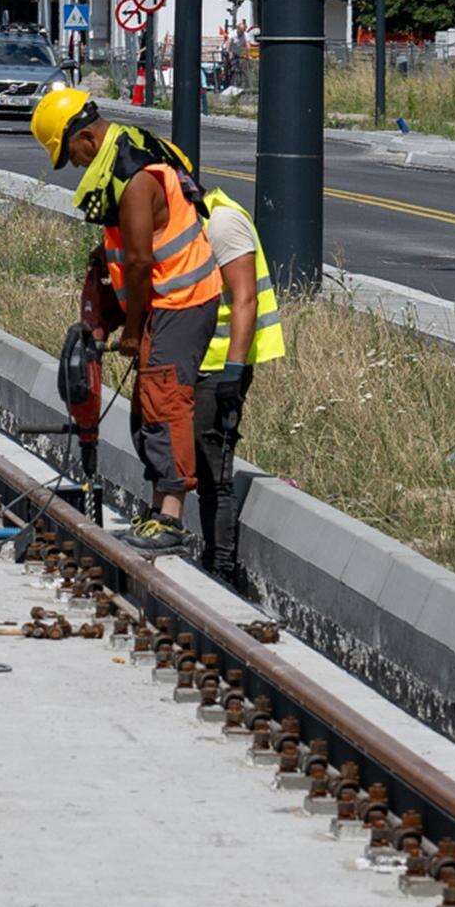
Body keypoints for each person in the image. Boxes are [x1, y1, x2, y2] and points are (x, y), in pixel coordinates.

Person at [29, 87, 220, 553]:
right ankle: (159, 510)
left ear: (87, 139)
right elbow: (121, 255)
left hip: (180, 298)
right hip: (163, 298)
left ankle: (171, 521)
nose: (72, 165)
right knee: (148, 406)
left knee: (163, 400)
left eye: (69, 155)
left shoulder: (134, 177)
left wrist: (131, 332)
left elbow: (138, 261)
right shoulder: (124, 155)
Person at [192, 185, 285, 584]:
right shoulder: (192, 224)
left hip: (220, 369)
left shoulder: (222, 222)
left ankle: (221, 567)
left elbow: (246, 299)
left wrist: (232, 372)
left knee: (214, 465)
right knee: (193, 460)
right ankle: (209, 555)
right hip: (196, 363)